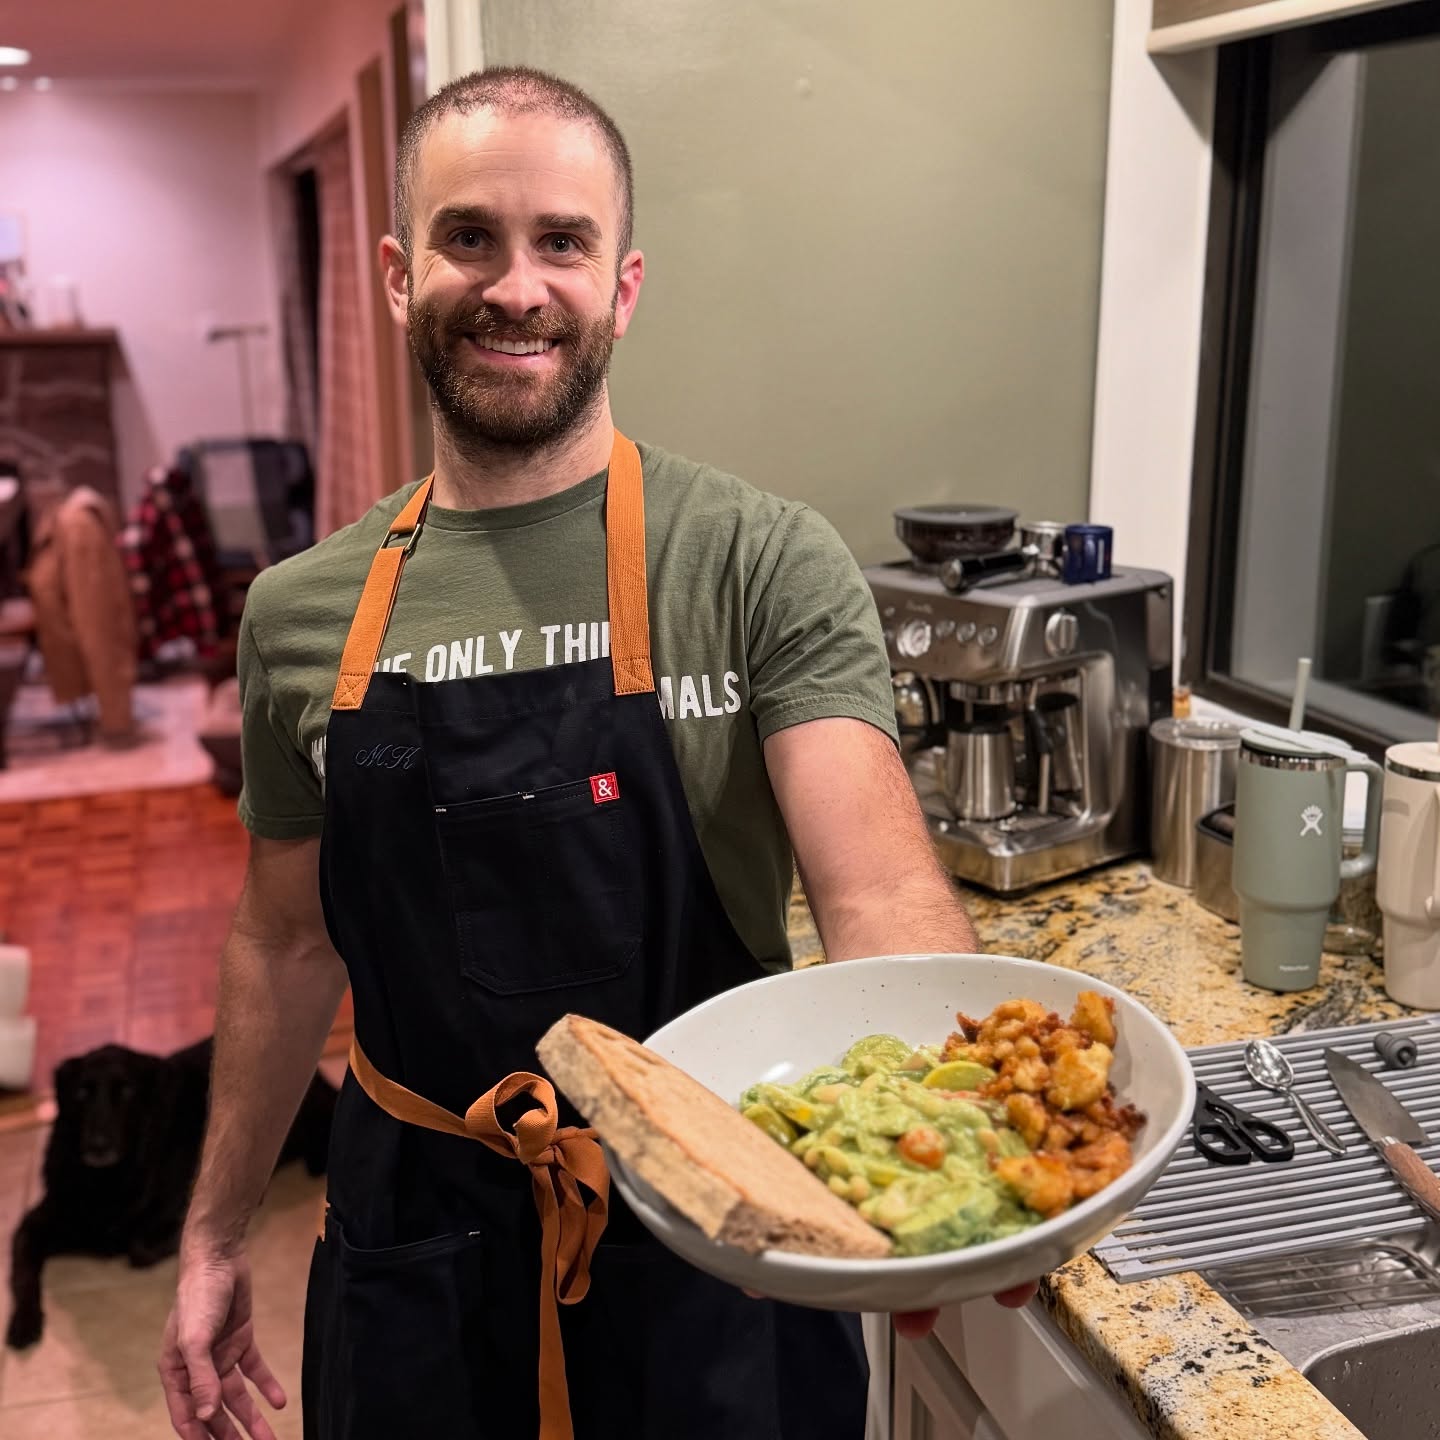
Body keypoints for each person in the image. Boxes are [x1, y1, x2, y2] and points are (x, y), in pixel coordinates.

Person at [158, 66, 1039, 1440]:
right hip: (417, 1262)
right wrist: (214, 1234)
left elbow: (876, 895)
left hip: (720, 1240)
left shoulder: (758, 560)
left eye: (561, 242)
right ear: (397, 275)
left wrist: (955, 1161)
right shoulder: (298, 613)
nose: (517, 287)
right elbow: (282, 942)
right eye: (469, 237)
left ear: (622, 288)